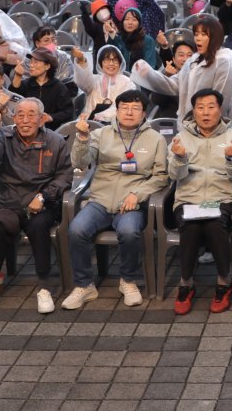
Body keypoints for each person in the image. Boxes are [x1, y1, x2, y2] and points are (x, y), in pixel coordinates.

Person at [63, 90, 169, 310]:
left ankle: (128, 281)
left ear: (144, 113)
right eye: (124, 107)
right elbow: (80, 163)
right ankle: (84, 284)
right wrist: (82, 139)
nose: (129, 112)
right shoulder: (100, 135)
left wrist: (137, 194)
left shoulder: (156, 139)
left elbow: (161, 176)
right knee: (76, 229)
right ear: (117, 111)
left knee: (129, 232)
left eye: (135, 108)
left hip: (131, 202)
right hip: (100, 199)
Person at [0, 98, 71, 316]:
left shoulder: (56, 141)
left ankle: (44, 286)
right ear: (14, 117)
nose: (25, 120)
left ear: (41, 118)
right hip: (9, 201)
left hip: (42, 204)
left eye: (31, 115)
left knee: (39, 227)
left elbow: (65, 176)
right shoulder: (4, 136)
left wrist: (44, 196)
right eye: (20, 115)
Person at [169, 88, 232, 315]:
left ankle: (224, 281)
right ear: (193, 111)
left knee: (214, 224)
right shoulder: (180, 138)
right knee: (191, 226)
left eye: (211, 107)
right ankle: (186, 283)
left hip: (220, 199)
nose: (205, 113)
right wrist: (180, 158)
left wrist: (231, 158)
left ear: (219, 110)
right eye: (200, 108)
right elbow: (175, 176)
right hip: (188, 200)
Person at [131, 14, 232, 121]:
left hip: (214, 129)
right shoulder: (193, 61)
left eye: (203, 34)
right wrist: (148, 74)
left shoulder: (224, 62)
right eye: (196, 34)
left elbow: (221, 103)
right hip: (190, 127)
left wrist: (202, 125)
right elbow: (174, 84)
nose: (198, 38)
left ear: (214, 37)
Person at [13, 48, 75, 128]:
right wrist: (18, 75)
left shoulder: (58, 87)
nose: (31, 65)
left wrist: (50, 117)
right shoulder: (27, 84)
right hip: (25, 127)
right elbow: (13, 96)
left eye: (35, 62)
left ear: (47, 66)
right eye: (31, 61)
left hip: (50, 131)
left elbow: (67, 112)